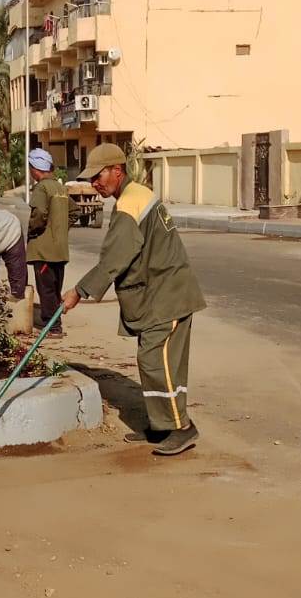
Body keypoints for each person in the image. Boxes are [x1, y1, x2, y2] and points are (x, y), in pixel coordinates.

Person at [61, 144, 206, 456]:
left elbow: (115, 257)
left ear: (117, 170)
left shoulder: (129, 203)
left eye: (98, 176)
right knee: (161, 363)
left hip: (166, 296)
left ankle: (181, 428)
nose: (94, 183)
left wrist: (78, 291)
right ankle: (161, 425)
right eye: (91, 178)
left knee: (157, 361)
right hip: (162, 295)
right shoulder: (134, 195)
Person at [26, 148, 77, 338]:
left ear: (35, 169)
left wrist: (34, 230)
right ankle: (56, 324)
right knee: (55, 289)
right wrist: (61, 228)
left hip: (44, 251)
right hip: (60, 251)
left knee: (46, 290)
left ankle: (52, 328)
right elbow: (75, 212)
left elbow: (39, 213)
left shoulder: (42, 187)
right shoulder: (61, 188)